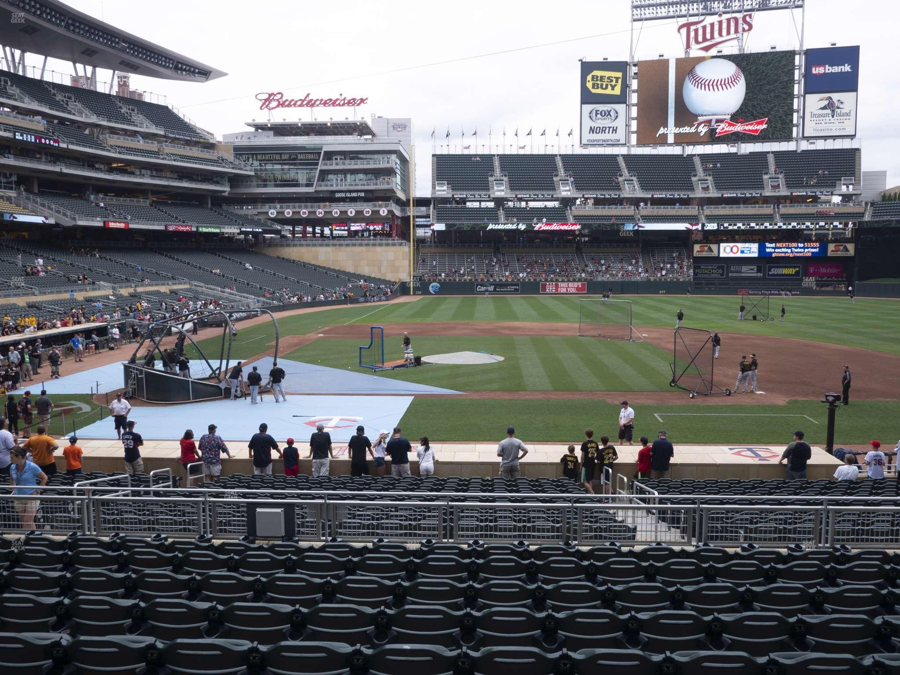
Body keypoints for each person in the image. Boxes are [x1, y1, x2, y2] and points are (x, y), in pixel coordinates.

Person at [9, 447, 47, 531]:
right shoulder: (12, 467)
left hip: (31, 496)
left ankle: (28, 537)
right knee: (24, 521)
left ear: (19, 457)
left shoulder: (32, 466)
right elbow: (11, 478)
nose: (10, 460)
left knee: (27, 520)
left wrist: (37, 491)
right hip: (19, 497)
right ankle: (31, 537)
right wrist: (14, 489)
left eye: (12, 458)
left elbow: (44, 478)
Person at [579, 428, 601, 494]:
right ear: (592, 435)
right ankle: (590, 495)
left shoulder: (584, 444)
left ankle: (592, 494)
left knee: (584, 480)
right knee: (590, 480)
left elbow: (582, 456)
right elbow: (598, 454)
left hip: (586, 464)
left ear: (586, 435)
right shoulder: (595, 443)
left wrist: (580, 465)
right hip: (592, 463)